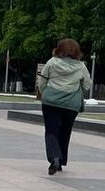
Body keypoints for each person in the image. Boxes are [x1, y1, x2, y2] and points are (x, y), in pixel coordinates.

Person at [35, 38, 92, 175]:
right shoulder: (81, 66)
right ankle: (60, 161)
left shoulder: (52, 62)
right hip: (71, 104)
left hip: (51, 102)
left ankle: (54, 157)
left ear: (59, 49)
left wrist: (45, 93)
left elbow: (42, 81)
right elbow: (87, 85)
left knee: (51, 131)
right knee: (65, 132)